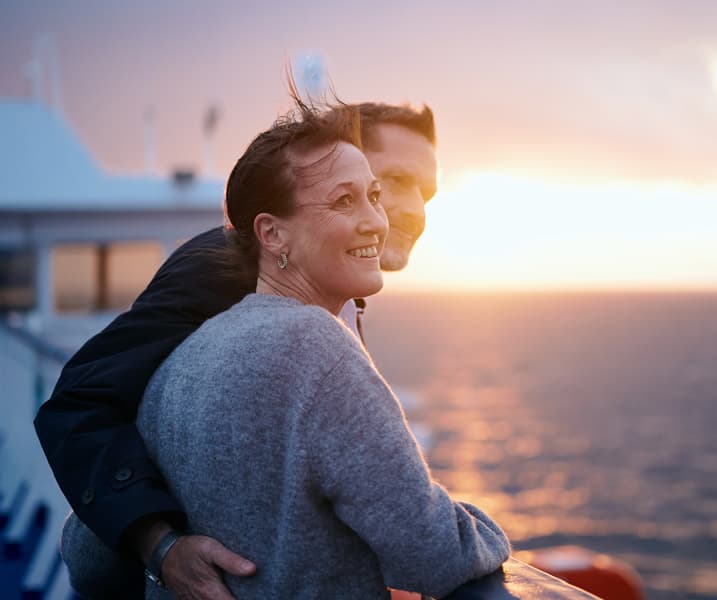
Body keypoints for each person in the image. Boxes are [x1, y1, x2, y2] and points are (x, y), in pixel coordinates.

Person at [54, 101, 510, 598]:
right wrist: (160, 546)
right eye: (393, 182)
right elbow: (83, 403)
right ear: (271, 232)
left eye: (423, 193)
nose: (409, 210)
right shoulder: (229, 277)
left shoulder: (307, 312)